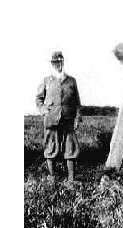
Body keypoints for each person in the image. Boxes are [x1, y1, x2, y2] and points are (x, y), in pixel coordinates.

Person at [36, 51, 82, 183]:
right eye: (55, 62)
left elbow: (77, 103)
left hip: (68, 120)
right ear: (52, 64)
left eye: (60, 62)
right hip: (51, 119)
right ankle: (52, 178)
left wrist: (77, 118)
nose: (58, 65)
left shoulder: (71, 81)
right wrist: (44, 110)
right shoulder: (46, 81)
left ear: (63, 62)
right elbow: (39, 99)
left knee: (70, 148)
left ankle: (71, 179)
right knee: (50, 147)